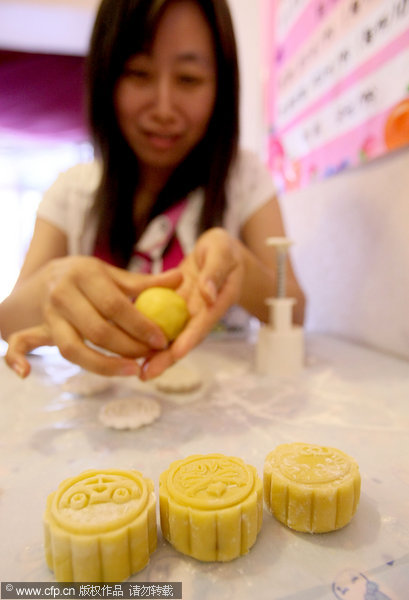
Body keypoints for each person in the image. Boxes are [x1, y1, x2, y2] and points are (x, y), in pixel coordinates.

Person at [0, 0, 305, 380]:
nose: (163, 108)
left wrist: (239, 266)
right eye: (139, 73)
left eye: (188, 79)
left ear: (221, 86)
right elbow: (9, 322)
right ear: (106, 77)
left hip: (223, 423)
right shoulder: (72, 191)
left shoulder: (243, 178)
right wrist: (50, 286)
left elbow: (295, 311)